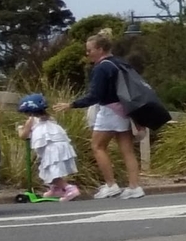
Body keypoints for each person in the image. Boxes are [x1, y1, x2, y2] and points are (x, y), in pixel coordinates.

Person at [67, 32, 145, 200]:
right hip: (125, 109)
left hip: (109, 110)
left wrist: (72, 104)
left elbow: (95, 95)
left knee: (97, 146)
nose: (87, 53)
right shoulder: (120, 62)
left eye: (89, 50)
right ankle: (134, 186)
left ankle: (111, 185)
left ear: (100, 49)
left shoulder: (102, 67)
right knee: (128, 151)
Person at [17, 94, 81, 201]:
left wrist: (19, 128)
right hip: (60, 146)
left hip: (51, 149)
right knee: (51, 169)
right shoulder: (49, 118)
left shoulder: (31, 120)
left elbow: (23, 135)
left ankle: (69, 189)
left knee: (51, 172)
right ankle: (56, 189)